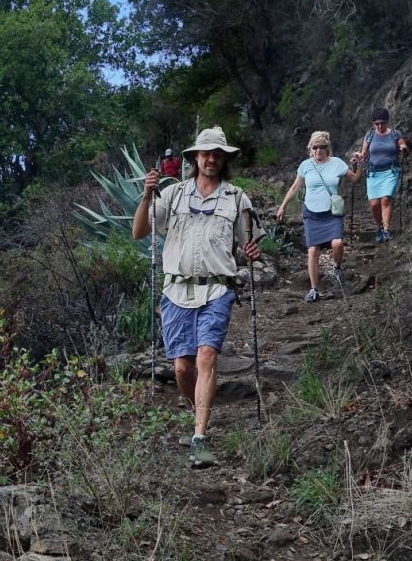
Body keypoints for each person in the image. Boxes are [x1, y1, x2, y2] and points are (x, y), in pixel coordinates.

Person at [134, 126, 263, 468]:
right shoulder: (172, 194)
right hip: (176, 289)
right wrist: (147, 195)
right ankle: (198, 411)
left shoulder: (237, 199)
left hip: (218, 288)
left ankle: (200, 436)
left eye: (217, 154)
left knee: (206, 356)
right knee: (182, 366)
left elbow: (251, 243)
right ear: (194, 158)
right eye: (205, 153)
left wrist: (252, 251)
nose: (210, 159)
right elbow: (139, 231)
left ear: (224, 159)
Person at [275, 131, 361, 303]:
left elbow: (355, 179)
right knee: (313, 250)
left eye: (322, 147)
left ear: (327, 148)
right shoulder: (306, 165)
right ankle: (314, 289)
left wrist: (360, 164)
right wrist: (282, 206)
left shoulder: (337, 163)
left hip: (331, 213)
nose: (318, 150)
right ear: (311, 149)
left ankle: (337, 267)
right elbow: (294, 188)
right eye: (315, 147)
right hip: (312, 213)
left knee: (337, 243)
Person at [353, 107, 408, 242]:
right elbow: (365, 153)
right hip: (373, 173)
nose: (379, 126)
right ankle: (379, 227)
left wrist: (403, 149)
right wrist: (358, 157)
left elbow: (403, 147)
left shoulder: (395, 134)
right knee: (374, 204)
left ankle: (386, 230)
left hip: (390, 171)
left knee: (385, 199)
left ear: (387, 122)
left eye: (382, 123)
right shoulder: (370, 135)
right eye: (376, 124)